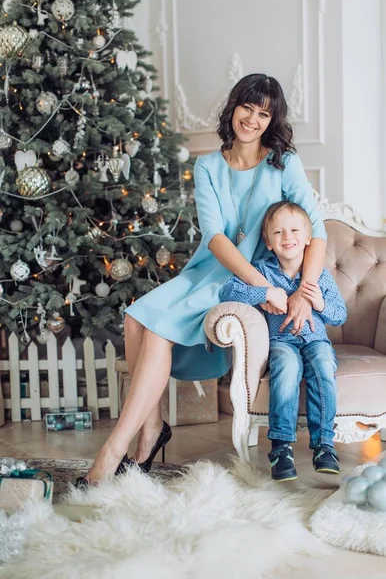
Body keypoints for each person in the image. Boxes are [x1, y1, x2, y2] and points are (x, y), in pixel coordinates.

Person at [75, 73, 329, 487]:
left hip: (253, 278)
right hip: (213, 268)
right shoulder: (208, 165)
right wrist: (259, 286)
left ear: (272, 119)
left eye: (264, 113)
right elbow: (214, 238)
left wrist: (299, 290)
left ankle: (114, 450)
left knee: (155, 330)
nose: (253, 119)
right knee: (136, 318)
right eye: (247, 107)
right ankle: (152, 428)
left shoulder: (284, 163)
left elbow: (316, 232)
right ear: (234, 108)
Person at [220, 201, 347, 481]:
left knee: (324, 363)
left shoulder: (319, 275)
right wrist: (263, 295)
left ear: (308, 239)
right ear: (268, 241)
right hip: (281, 341)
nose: (287, 237)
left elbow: (340, 316)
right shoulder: (262, 272)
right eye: (278, 232)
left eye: (293, 230)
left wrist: (321, 303)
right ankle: (280, 447)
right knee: (287, 367)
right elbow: (229, 291)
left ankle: (324, 445)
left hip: (316, 341)